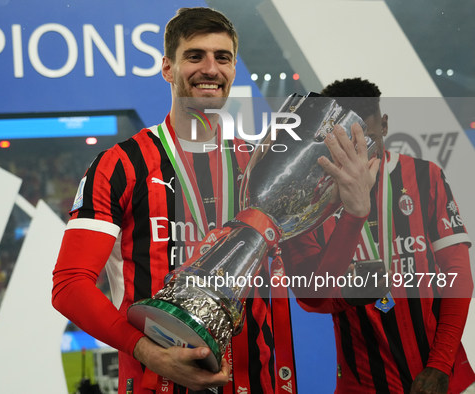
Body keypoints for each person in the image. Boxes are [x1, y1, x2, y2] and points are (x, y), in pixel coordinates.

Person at [52, 8, 287, 393]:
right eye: (195, 56)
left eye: (222, 58)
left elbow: (317, 291)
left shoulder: (262, 167)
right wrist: (148, 352)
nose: (210, 69)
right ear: (167, 68)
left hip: (254, 383)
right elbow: (69, 286)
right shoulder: (120, 165)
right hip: (155, 383)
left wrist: (353, 212)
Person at [282, 78, 475, 394]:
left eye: (368, 140)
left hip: (446, 379)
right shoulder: (304, 203)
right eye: (348, 145)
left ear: (384, 125)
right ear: (328, 138)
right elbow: (310, 297)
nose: (360, 156)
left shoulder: (426, 176)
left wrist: (440, 364)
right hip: (363, 383)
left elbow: (458, 274)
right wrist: (346, 294)